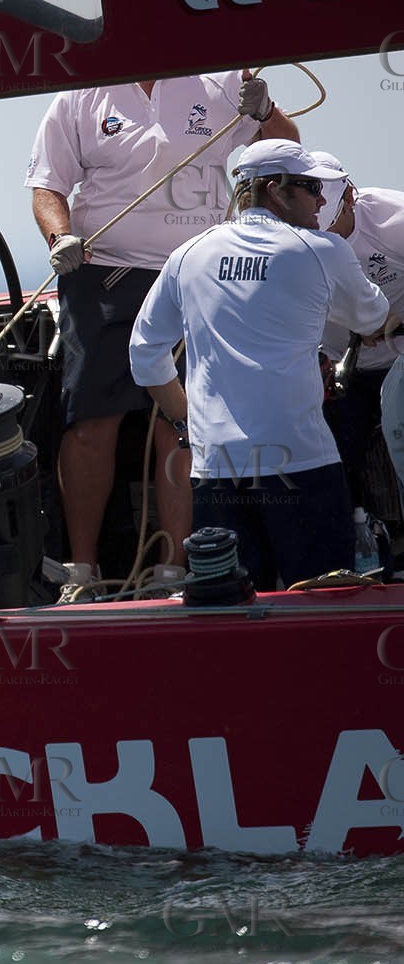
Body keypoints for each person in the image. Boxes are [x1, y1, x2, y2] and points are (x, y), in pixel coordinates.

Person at [26, 70, 299, 593]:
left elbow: (287, 155)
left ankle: (174, 571)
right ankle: (81, 572)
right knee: (89, 422)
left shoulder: (224, 81)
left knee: (182, 425)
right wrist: (60, 238)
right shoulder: (80, 93)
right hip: (102, 275)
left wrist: (266, 111)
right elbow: (47, 185)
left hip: (196, 274)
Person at [129, 140, 394, 590]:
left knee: (232, 610)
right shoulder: (323, 250)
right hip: (302, 463)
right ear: (275, 190)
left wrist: (187, 422)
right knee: (320, 603)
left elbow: (145, 353)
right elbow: (372, 317)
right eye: (312, 188)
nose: (322, 201)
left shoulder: (188, 255)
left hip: (215, 469)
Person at [307, 154, 404, 508]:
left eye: (330, 222)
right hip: (341, 369)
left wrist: (392, 321)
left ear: (349, 196)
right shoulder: (290, 237)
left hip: (400, 362)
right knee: (339, 467)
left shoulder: (394, 219)